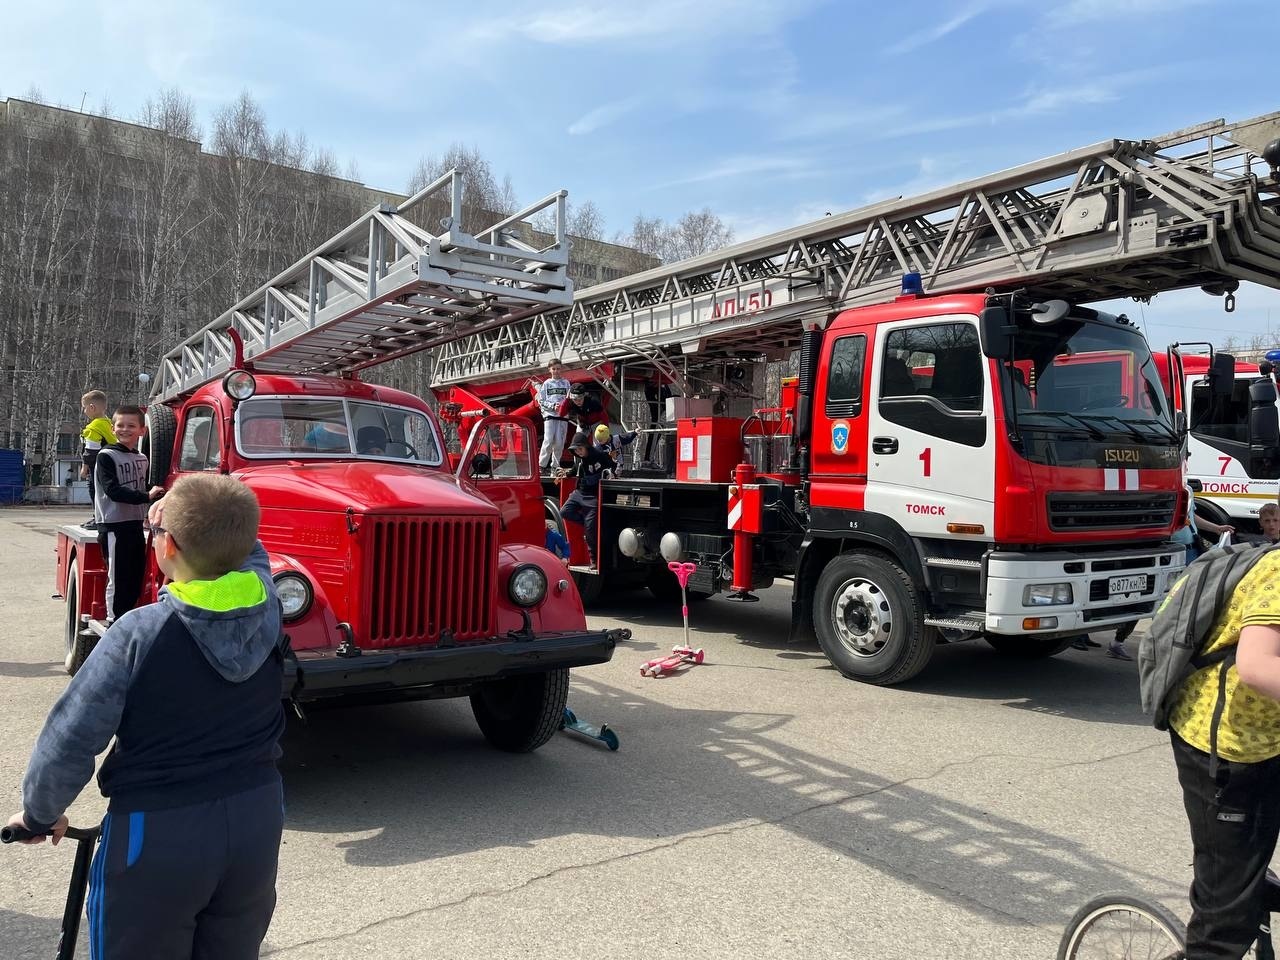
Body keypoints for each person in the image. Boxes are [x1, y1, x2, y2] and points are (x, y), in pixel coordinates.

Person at [6, 473, 286, 960]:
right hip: (257, 818)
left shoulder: (140, 632)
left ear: (169, 544)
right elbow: (244, 548)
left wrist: (39, 814)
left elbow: (71, 738)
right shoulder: (267, 605)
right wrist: (211, 521)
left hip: (158, 831)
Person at [1164, 546, 1280, 957]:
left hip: (1269, 737)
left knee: (1246, 870)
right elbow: (1257, 664)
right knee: (1223, 929)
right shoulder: (1279, 572)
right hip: (1224, 747)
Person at [95, 405, 164, 622]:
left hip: (134, 524)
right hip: (114, 525)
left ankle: (127, 619)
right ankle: (114, 622)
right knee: (118, 578)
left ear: (142, 431)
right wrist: (146, 497)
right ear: (113, 429)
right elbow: (113, 490)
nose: (125, 429)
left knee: (135, 577)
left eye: (131, 426)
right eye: (120, 425)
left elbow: (145, 488)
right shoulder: (106, 456)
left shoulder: (142, 459)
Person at [555, 431, 613, 570]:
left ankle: (594, 558)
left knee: (591, 532)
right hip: (579, 493)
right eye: (576, 450)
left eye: (580, 449)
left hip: (592, 497)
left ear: (586, 446)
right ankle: (586, 523)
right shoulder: (578, 459)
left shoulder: (599, 455)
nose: (579, 452)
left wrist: (612, 473)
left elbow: (611, 465)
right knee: (564, 511)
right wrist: (566, 473)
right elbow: (575, 470)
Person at [79, 390, 116, 528]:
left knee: (94, 491)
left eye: (84, 407)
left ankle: (98, 519)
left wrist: (85, 468)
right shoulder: (108, 423)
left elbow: (91, 451)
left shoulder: (93, 427)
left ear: (92, 407)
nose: (84, 411)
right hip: (110, 464)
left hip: (97, 467)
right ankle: (104, 517)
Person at [536, 358, 572, 472]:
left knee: (559, 441)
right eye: (554, 369)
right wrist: (552, 406)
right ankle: (541, 465)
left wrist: (565, 408)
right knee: (548, 440)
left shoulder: (566, 383)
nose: (556, 371)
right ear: (549, 370)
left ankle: (555, 465)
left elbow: (569, 399)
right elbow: (541, 400)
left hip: (563, 416)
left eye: (558, 369)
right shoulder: (547, 383)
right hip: (550, 415)